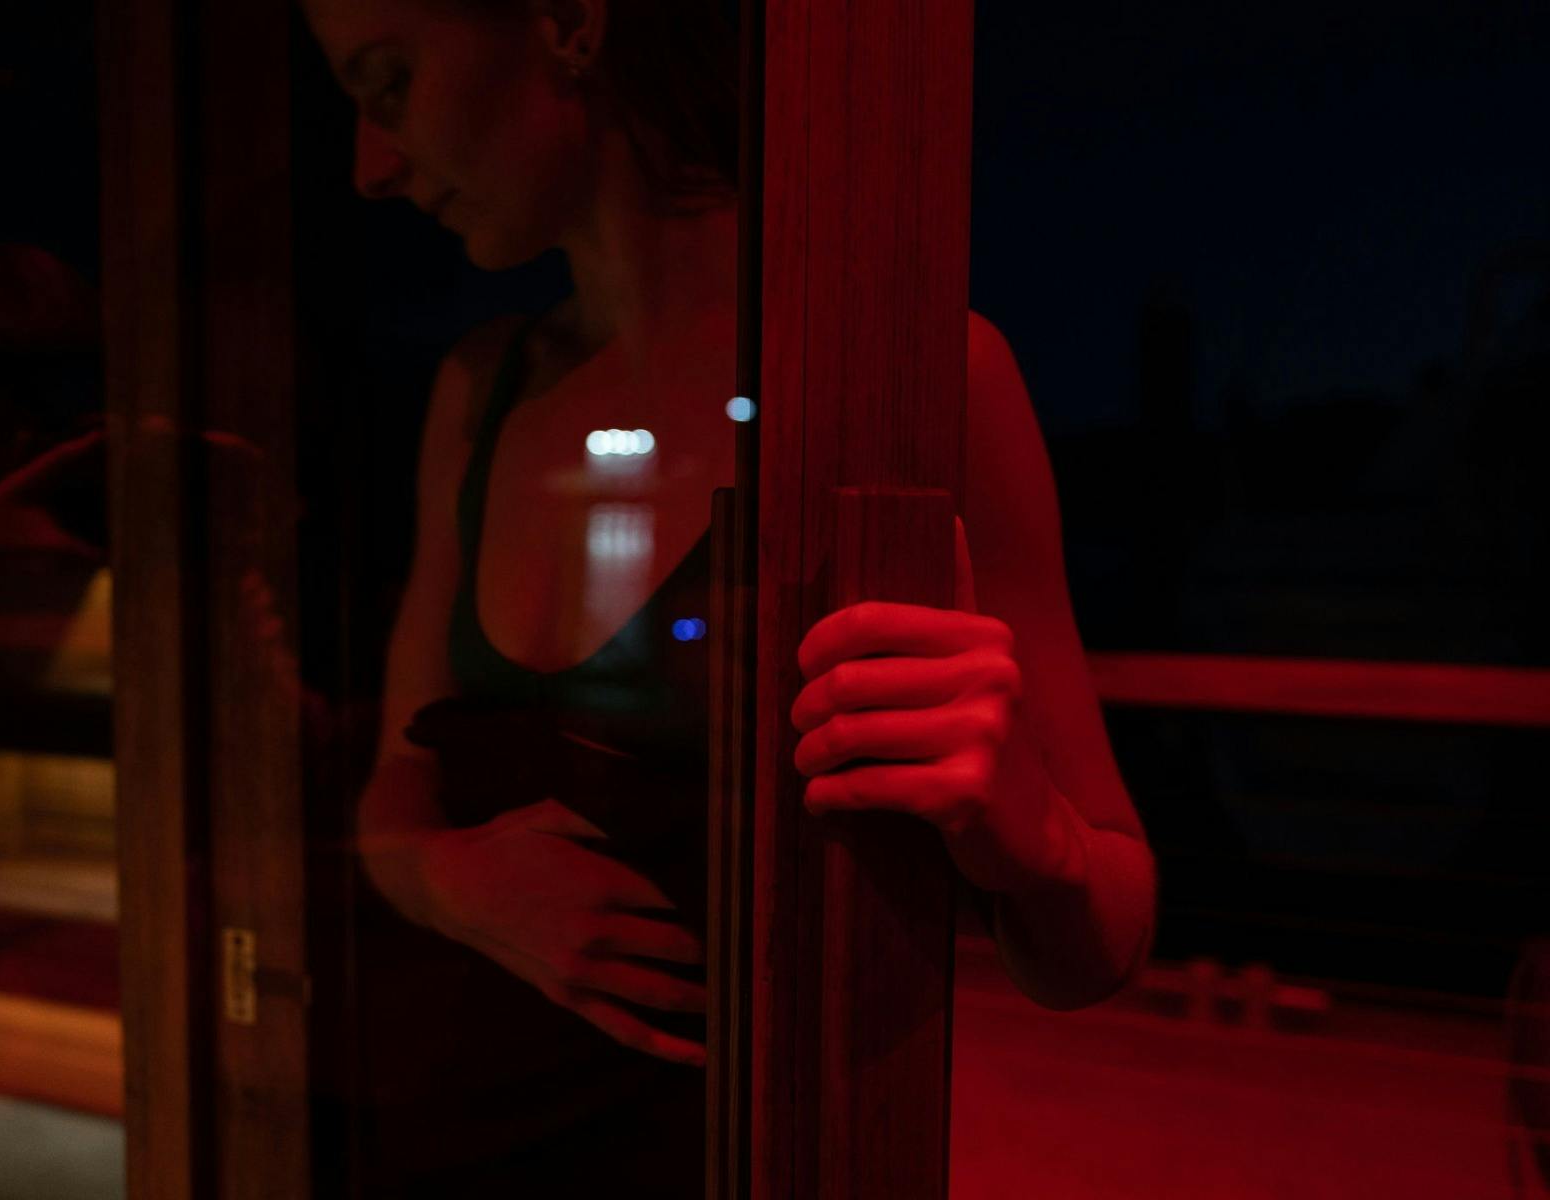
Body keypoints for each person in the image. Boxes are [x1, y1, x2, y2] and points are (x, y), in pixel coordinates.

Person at [303, 0, 1156, 1192]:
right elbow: (397, 785)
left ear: (570, 25)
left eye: (386, 84)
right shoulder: (479, 390)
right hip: (440, 1131)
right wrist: (453, 885)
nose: (369, 166)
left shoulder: (912, 377)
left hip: (739, 1153)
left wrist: (1032, 834)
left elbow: (1103, 939)